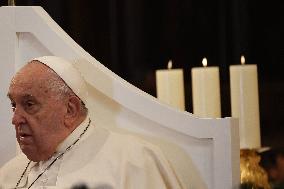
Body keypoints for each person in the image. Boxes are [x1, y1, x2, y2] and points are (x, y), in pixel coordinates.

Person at [0, 56, 183, 189]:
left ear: (70, 110)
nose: (15, 119)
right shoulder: (10, 173)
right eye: (14, 105)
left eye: (29, 104)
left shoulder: (133, 161)